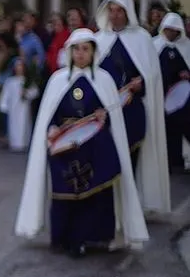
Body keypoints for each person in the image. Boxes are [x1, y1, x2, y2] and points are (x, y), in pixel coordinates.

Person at [15, 29, 148, 257]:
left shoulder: (104, 80)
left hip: (95, 145)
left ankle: (94, 236)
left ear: (93, 52)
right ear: (69, 52)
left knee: (97, 193)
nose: (80, 53)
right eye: (76, 49)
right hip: (66, 148)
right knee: (66, 194)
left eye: (85, 49)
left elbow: (114, 117)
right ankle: (65, 238)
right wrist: (52, 128)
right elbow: (48, 115)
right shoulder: (58, 80)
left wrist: (104, 117)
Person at [93, 0, 170, 217]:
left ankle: (130, 209)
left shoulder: (142, 39)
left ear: (128, 12)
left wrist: (142, 82)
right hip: (106, 112)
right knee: (106, 160)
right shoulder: (98, 40)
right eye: (112, 10)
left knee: (130, 161)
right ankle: (108, 210)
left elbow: (153, 75)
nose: (115, 15)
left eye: (120, 10)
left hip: (132, 112)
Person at [154, 12, 190, 171]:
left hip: (182, 98)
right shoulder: (155, 45)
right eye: (168, 29)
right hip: (161, 96)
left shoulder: (185, 47)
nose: (171, 33)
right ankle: (169, 162)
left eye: (174, 30)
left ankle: (180, 160)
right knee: (165, 131)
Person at [0, 58, 39, 152]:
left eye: (21, 66)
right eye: (17, 66)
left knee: (24, 125)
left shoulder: (27, 80)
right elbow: (5, 94)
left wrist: (26, 93)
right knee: (14, 125)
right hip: (13, 109)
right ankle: (15, 143)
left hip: (24, 108)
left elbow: (35, 92)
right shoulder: (10, 81)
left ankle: (24, 143)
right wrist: (3, 106)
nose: (19, 68)